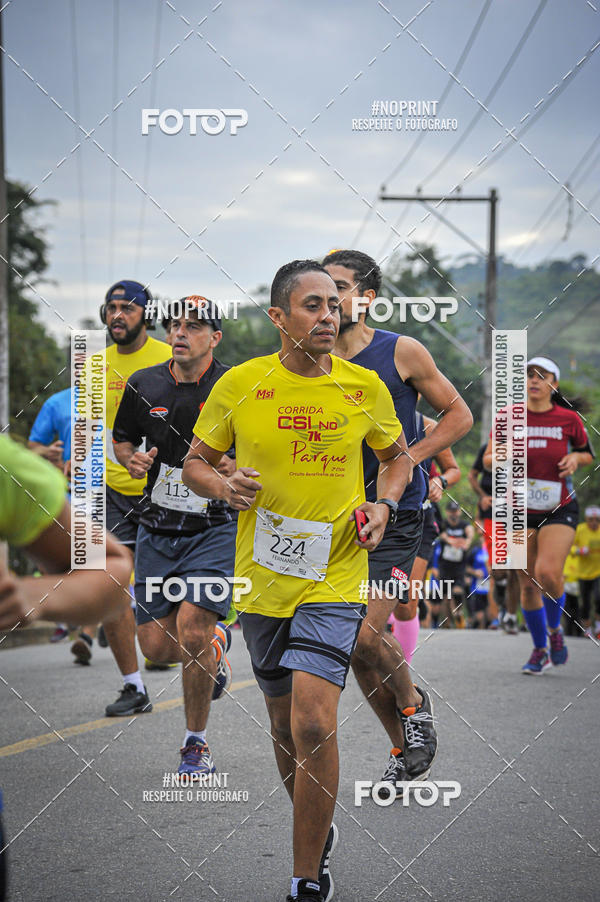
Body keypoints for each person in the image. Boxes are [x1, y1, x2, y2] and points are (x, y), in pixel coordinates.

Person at [182, 260, 412, 902]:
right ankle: (318, 827)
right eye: (312, 306)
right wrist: (224, 484)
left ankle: (304, 876)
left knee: (314, 722)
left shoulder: (363, 385)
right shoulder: (240, 384)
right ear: (279, 317)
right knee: (283, 728)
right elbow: (195, 462)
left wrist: (383, 506)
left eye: (334, 305)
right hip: (261, 578)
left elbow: (396, 462)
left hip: (336, 573)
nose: (328, 316)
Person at [324, 248, 472, 798]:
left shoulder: (401, 351)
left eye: (340, 286)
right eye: (321, 287)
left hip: (398, 515)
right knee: (355, 647)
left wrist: (412, 455)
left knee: (363, 635)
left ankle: (414, 710)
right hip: (331, 519)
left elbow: (460, 415)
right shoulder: (306, 358)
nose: (330, 299)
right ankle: (404, 744)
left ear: (367, 298)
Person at [0, 435, 131, 900]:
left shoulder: (4, 467)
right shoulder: (57, 403)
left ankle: (129, 677)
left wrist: (30, 595)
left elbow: (111, 567)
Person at [112, 297, 236, 776]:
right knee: (159, 649)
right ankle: (218, 645)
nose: (180, 332)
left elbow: (258, 446)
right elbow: (123, 437)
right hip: (156, 529)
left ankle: (195, 743)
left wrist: (234, 464)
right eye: (174, 324)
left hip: (214, 527)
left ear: (215, 337)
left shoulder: (235, 385)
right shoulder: (145, 384)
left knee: (193, 630)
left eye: (194, 326)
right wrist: (129, 458)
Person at [78, 279, 171, 710]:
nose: (117, 314)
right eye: (111, 307)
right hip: (114, 492)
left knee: (176, 596)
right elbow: (88, 431)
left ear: (145, 316)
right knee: (110, 584)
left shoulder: (171, 356)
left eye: (127, 308)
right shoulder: (95, 367)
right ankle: (134, 686)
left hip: (169, 493)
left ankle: (208, 651)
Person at [483, 357, 594, 674]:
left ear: (553, 384)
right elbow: (489, 458)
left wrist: (575, 457)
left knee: (547, 573)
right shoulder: (507, 416)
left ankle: (555, 631)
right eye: (528, 375)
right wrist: (498, 456)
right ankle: (539, 648)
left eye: (541, 376)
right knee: (527, 583)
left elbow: (587, 454)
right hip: (518, 508)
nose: (533, 380)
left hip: (558, 506)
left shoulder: (568, 419)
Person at [390, 412, 461, 657]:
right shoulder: (367, 415)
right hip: (378, 518)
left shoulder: (428, 426)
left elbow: (453, 469)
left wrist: (440, 481)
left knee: (405, 603)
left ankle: (401, 670)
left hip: (419, 520)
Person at [28, 386, 73, 644]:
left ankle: (92, 628)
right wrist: (48, 453)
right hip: (67, 491)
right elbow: (34, 446)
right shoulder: (57, 402)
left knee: (105, 556)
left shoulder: (118, 394)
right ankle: (63, 620)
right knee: (59, 559)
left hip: (110, 492)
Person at [468, 443, 519, 633]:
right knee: (498, 569)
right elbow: (471, 475)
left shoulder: (524, 448)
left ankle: (511, 616)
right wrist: (482, 496)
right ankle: (500, 585)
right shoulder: (488, 449)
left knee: (516, 567)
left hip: (518, 515)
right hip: (492, 515)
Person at [435, 501, 474, 628]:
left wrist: (467, 541)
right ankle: (447, 623)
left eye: (455, 511)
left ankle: (459, 612)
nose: (453, 514)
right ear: (447, 512)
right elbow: (441, 534)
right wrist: (451, 540)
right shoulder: (444, 524)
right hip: (445, 565)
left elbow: (470, 531)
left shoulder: (464, 525)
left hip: (459, 566)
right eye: (451, 511)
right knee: (445, 595)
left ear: (459, 512)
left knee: (457, 591)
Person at [573, 505, 600, 638]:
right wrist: (579, 550)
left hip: (598, 571)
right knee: (585, 602)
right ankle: (588, 627)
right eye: (591, 519)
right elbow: (569, 547)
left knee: (598, 597)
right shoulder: (580, 529)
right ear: (586, 519)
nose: (594, 522)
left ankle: (598, 627)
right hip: (583, 573)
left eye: (597, 519)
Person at [465, 530, 491, 629]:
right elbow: (466, 566)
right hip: (477, 587)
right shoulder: (475, 551)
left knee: (490, 615)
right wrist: (474, 572)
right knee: (479, 616)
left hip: (490, 586)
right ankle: (476, 628)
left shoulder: (494, 549)